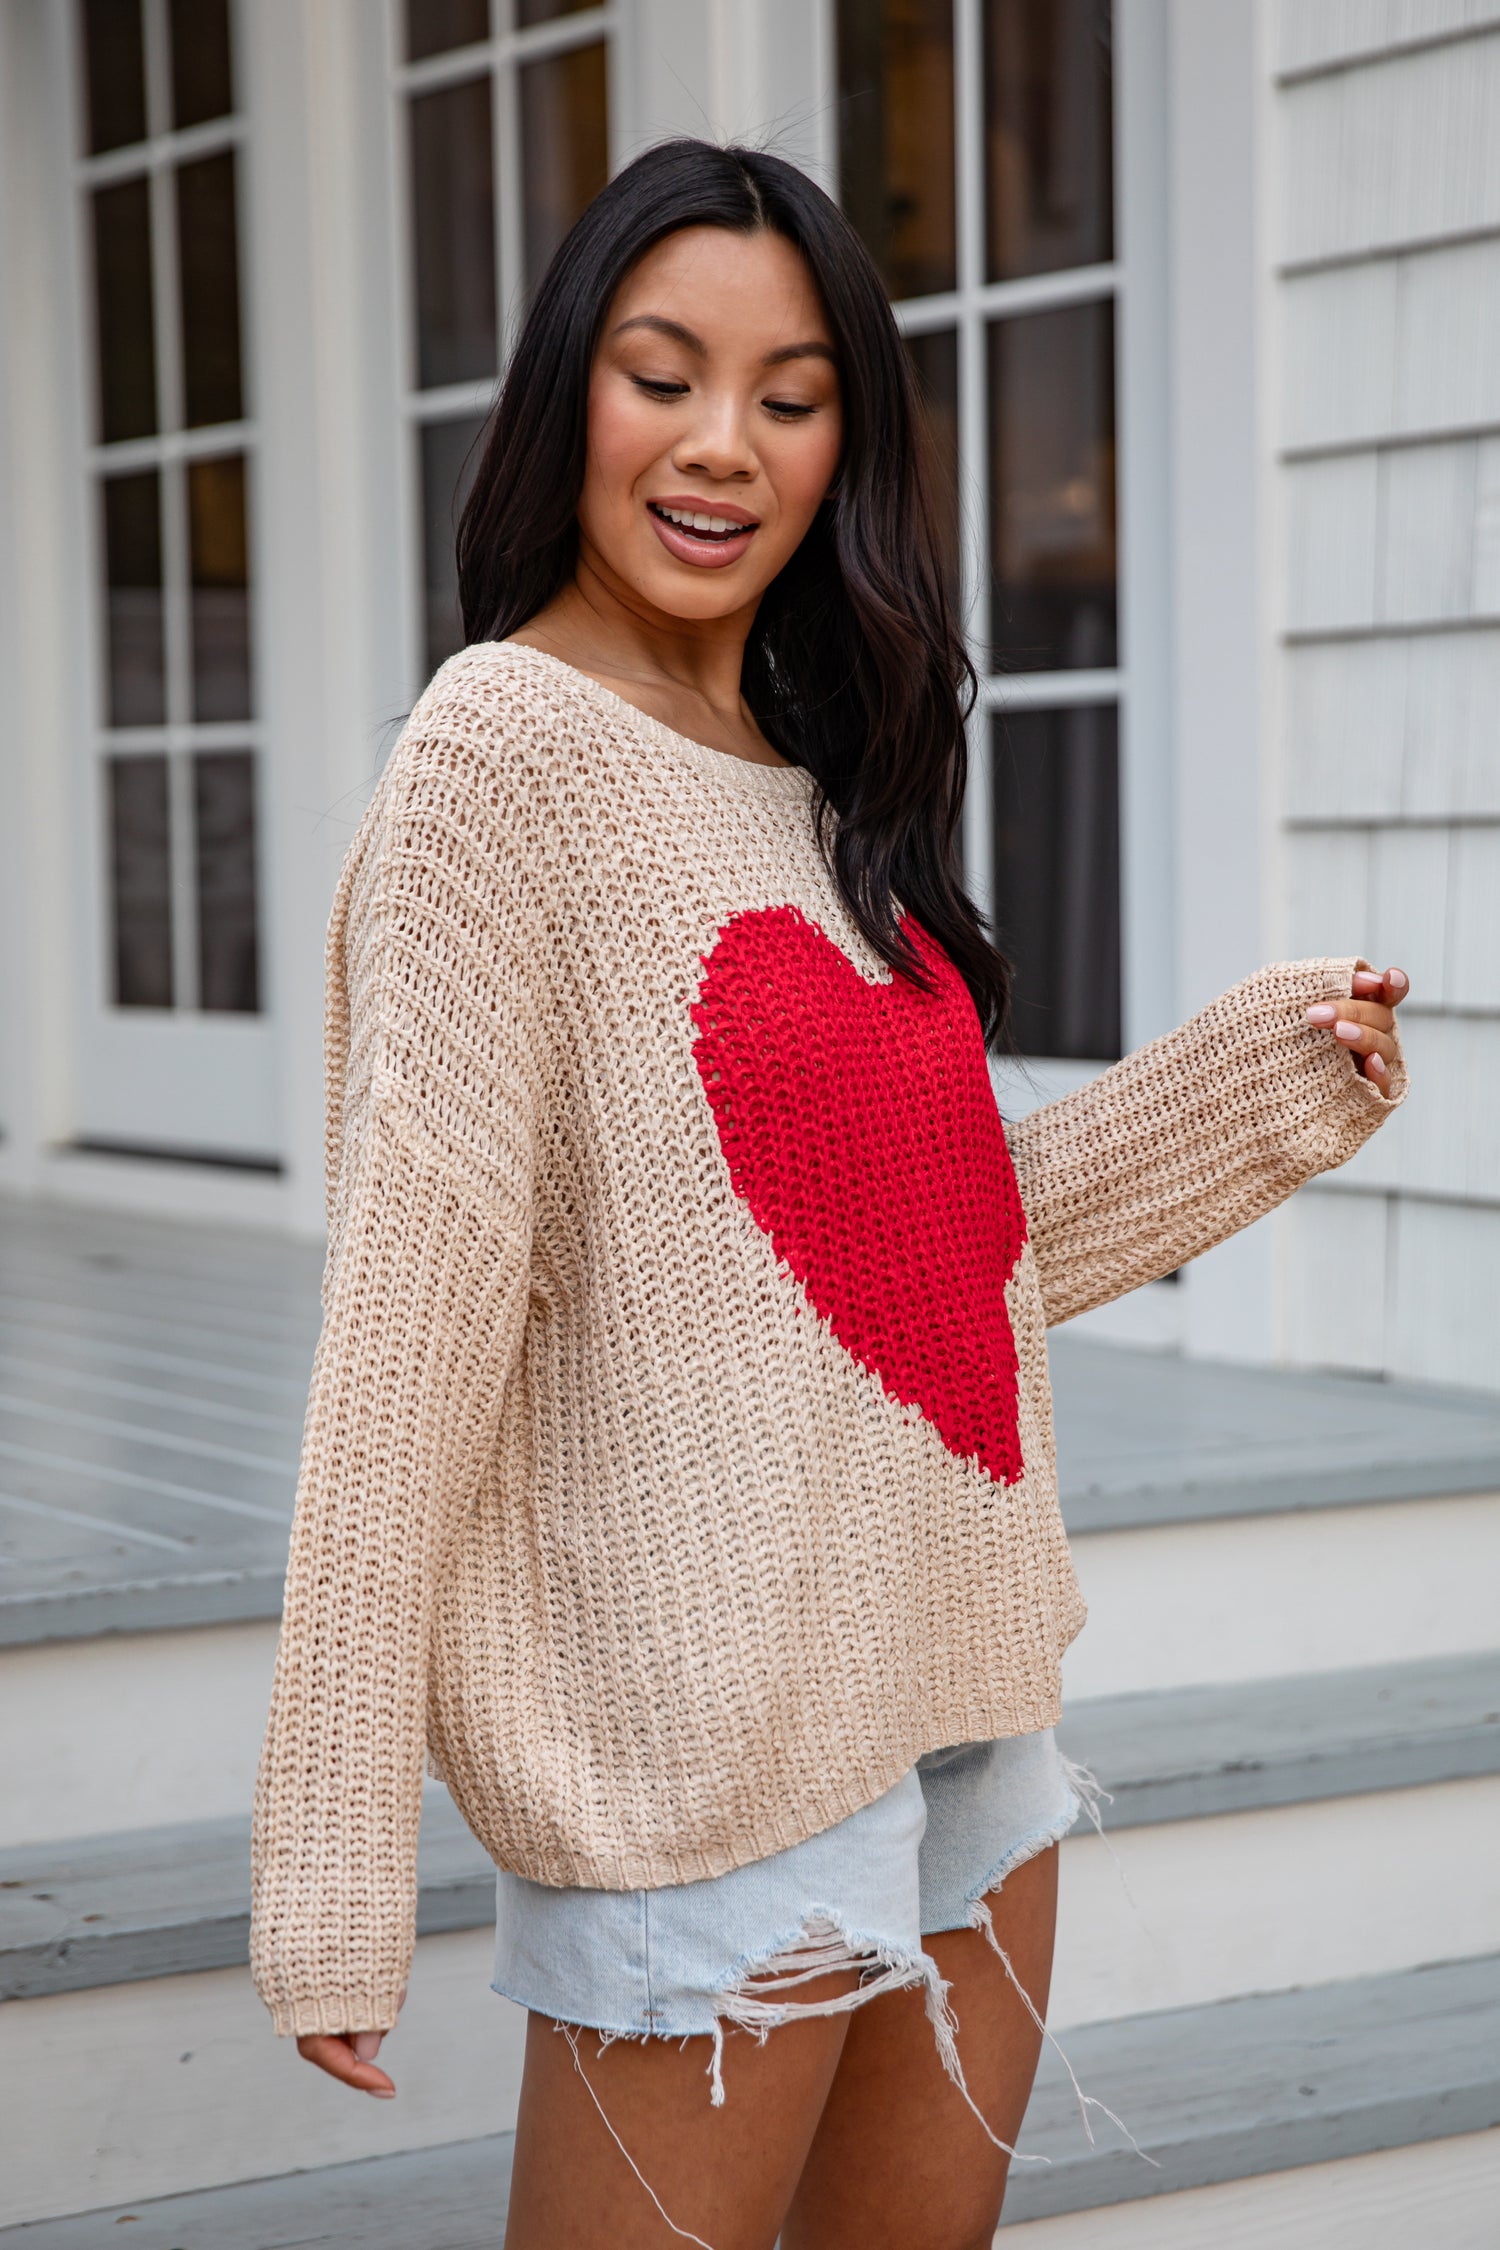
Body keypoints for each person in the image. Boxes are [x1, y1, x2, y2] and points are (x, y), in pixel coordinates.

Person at [249, 140, 1407, 2250]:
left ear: (848, 446)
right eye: (660, 373)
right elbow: (405, 1341)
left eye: (791, 398)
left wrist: (1254, 1092)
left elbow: (908, 1255)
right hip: (698, 1762)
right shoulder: (496, 762)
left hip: (961, 1706)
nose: (721, 446)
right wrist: (328, 1846)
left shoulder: (809, 777)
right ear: (561, 399)